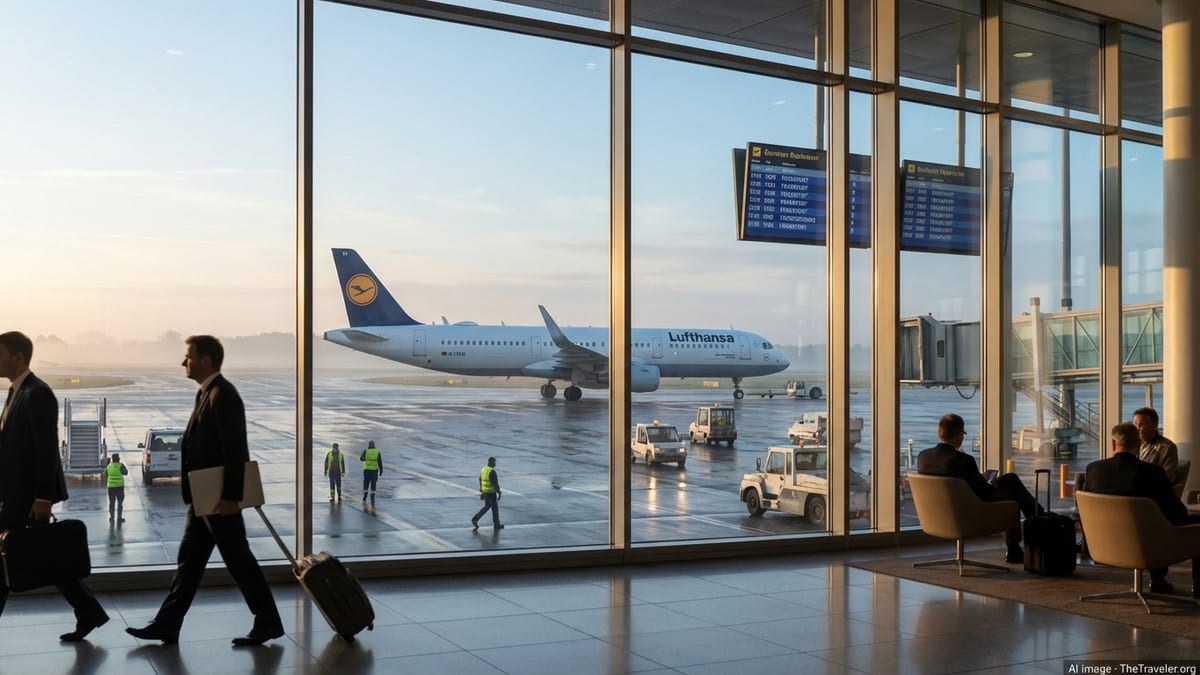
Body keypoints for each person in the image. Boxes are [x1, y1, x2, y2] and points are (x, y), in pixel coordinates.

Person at [126, 335, 283, 646]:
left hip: (219, 500)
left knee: (238, 562)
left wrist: (231, 497)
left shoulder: (223, 395)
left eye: (189, 356)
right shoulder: (208, 393)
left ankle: (268, 621)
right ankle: (167, 624)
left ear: (206, 360)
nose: (183, 362)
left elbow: (236, 450)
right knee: (190, 563)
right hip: (204, 499)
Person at [0, 331, 109, 642]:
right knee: (50, 557)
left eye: (0, 354)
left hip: (28, 496)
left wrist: (43, 497)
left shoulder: (38, 393)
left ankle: (89, 611)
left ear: (18, 357)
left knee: (9, 556)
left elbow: (47, 449)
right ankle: (89, 611)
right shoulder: (17, 391)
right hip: (15, 493)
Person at [1083, 421, 1200, 598]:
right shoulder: (1153, 473)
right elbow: (1178, 513)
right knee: (1178, 523)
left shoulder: (1093, 470)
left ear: (1113, 444)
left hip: (1104, 544)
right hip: (1147, 546)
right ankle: (1170, 582)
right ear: (1138, 444)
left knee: (1156, 524)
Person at [917, 412, 1041, 564]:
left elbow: (957, 482)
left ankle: (1040, 517)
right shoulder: (963, 460)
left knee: (1008, 479)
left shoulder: (923, 457)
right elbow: (984, 492)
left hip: (938, 515)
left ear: (940, 432)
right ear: (959, 435)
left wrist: (982, 479)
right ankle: (1034, 528)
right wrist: (987, 481)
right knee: (1013, 496)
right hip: (967, 514)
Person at [1133, 407, 1180, 482]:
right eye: (1135, 424)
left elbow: (1169, 477)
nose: (1137, 428)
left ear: (1154, 425)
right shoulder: (1133, 444)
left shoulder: (1167, 447)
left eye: (1141, 424)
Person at [472, 456, 503, 530]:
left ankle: (496, 524)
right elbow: (495, 483)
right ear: (490, 462)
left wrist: (481, 490)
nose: (495, 464)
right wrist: (499, 492)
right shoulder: (492, 471)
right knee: (491, 507)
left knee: (491, 507)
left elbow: (480, 480)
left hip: (485, 491)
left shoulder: (483, 469)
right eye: (494, 462)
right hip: (491, 492)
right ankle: (475, 519)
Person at [106, 452, 129, 523]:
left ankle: (112, 517)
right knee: (120, 503)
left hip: (111, 487)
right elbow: (126, 472)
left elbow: (105, 474)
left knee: (111, 503)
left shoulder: (109, 466)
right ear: (118, 459)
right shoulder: (120, 466)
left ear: (112, 459)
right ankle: (119, 518)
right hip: (119, 487)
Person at [361, 440, 383, 504]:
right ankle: (372, 496)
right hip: (374, 471)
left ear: (369, 445)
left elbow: (361, 459)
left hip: (367, 470)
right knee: (373, 483)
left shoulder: (366, 451)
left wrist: (366, 459)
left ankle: (365, 495)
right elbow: (380, 462)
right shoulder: (377, 452)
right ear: (374, 445)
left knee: (366, 483)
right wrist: (381, 470)